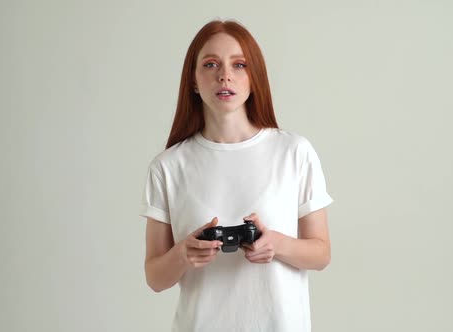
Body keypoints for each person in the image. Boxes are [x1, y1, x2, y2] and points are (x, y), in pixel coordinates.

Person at [141, 19, 333, 332]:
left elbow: (321, 254)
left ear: (254, 78)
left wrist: (276, 244)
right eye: (210, 64)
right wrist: (183, 253)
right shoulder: (168, 166)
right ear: (193, 80)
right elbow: (155, 278)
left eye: (239, 64)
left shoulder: (294, 152)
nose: (224, 75)